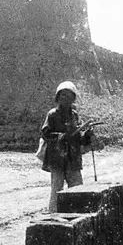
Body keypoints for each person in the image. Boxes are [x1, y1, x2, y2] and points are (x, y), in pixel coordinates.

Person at [41, 81, 95, 212]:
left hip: (73, 158)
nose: (65, 99)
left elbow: (78, 138)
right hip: (57, 158)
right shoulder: (52, 114)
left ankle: (77, 213)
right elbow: (45, 134)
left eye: (69, 96)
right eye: (62, 95)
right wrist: (62, 137)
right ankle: (53, 215)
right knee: (56, 189)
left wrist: (87, 135)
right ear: (58, 97)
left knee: (77, 188)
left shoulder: (75, 115)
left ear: (73, 99)